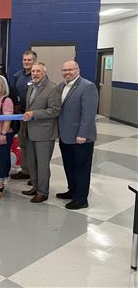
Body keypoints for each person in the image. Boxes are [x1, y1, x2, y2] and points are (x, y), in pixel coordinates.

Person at [57, 60, 98, 210]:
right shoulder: (61, 86)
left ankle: (81, 199)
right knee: (69, 165)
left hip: (80, 138)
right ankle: (72, 190)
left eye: (70, 70)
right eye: (64, 70)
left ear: (78, 70)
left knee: (81, 167)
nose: (67, 72)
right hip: (65, 136)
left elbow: (89, 114)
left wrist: (83, 134)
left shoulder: (87, 87)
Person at [21, 63, 60, 203]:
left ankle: (43, 192)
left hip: (45, 132)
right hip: (30, 131)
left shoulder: (52, 88)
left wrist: (34, 114)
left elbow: (55, 110)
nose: (35, 73)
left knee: (42, 165)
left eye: (38, 71)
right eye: (33, 71)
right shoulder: (31, 86)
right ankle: (36, 186)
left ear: (44, 72)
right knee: (32, 163)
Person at [11, 50, 37, 181]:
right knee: (23, 143)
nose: (26, 62)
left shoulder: (37, 76)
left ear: (34, 61)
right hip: (21, 116)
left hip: (34, 118)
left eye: (29, 60)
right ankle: (25, 170)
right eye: (24, 60)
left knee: (33, 145)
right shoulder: (18, 75)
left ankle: (35, 175)